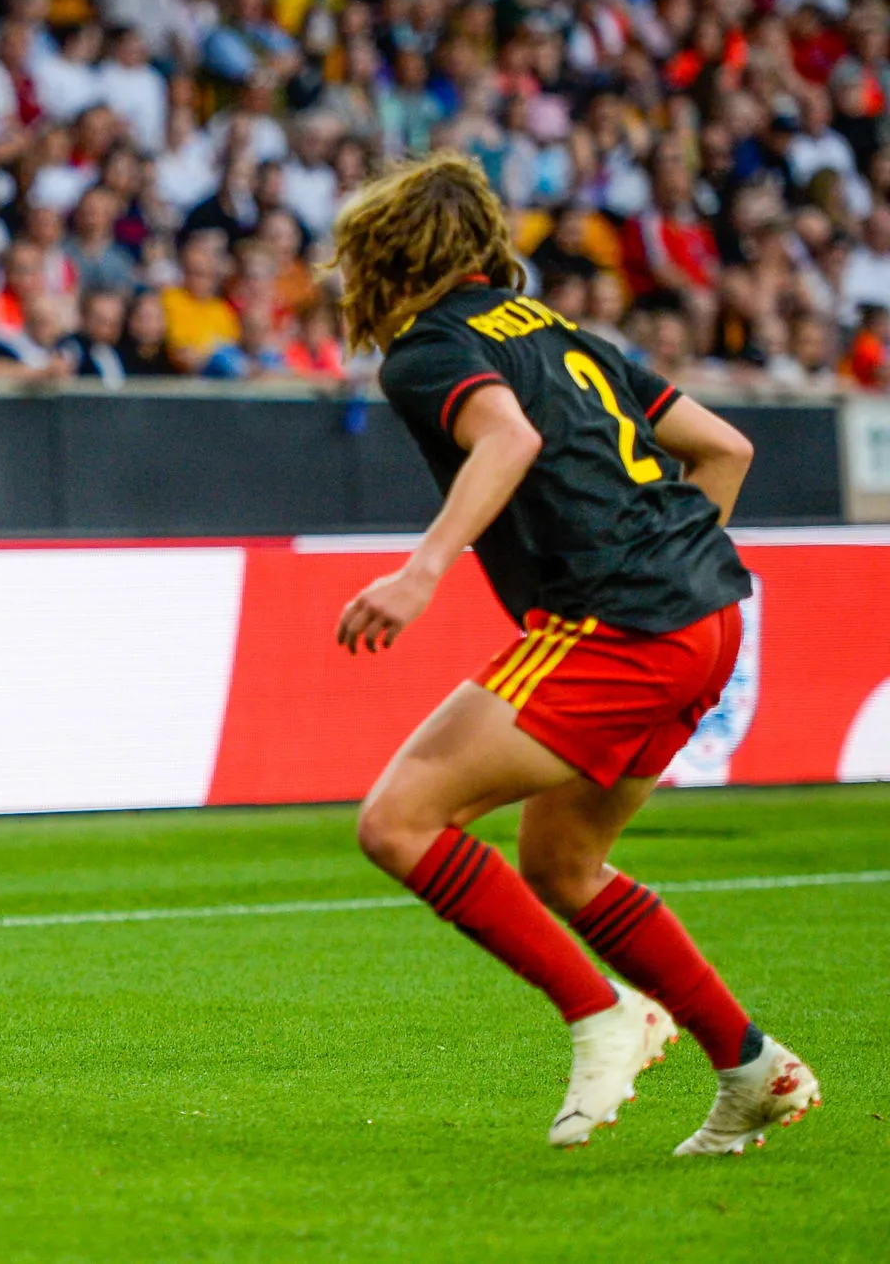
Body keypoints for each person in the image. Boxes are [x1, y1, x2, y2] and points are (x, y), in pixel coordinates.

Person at [330, 152, 818, 1155]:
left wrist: (422, 569)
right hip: (706, 617)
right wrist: (678, 561)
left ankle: (604, 1012)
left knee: (397, 820)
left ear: (386, 253)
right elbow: (725, 447)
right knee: (562, 860)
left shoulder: (428, 346)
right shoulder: (560, 331)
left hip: (618, 624)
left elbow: (503, 442)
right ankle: (748, 1066)